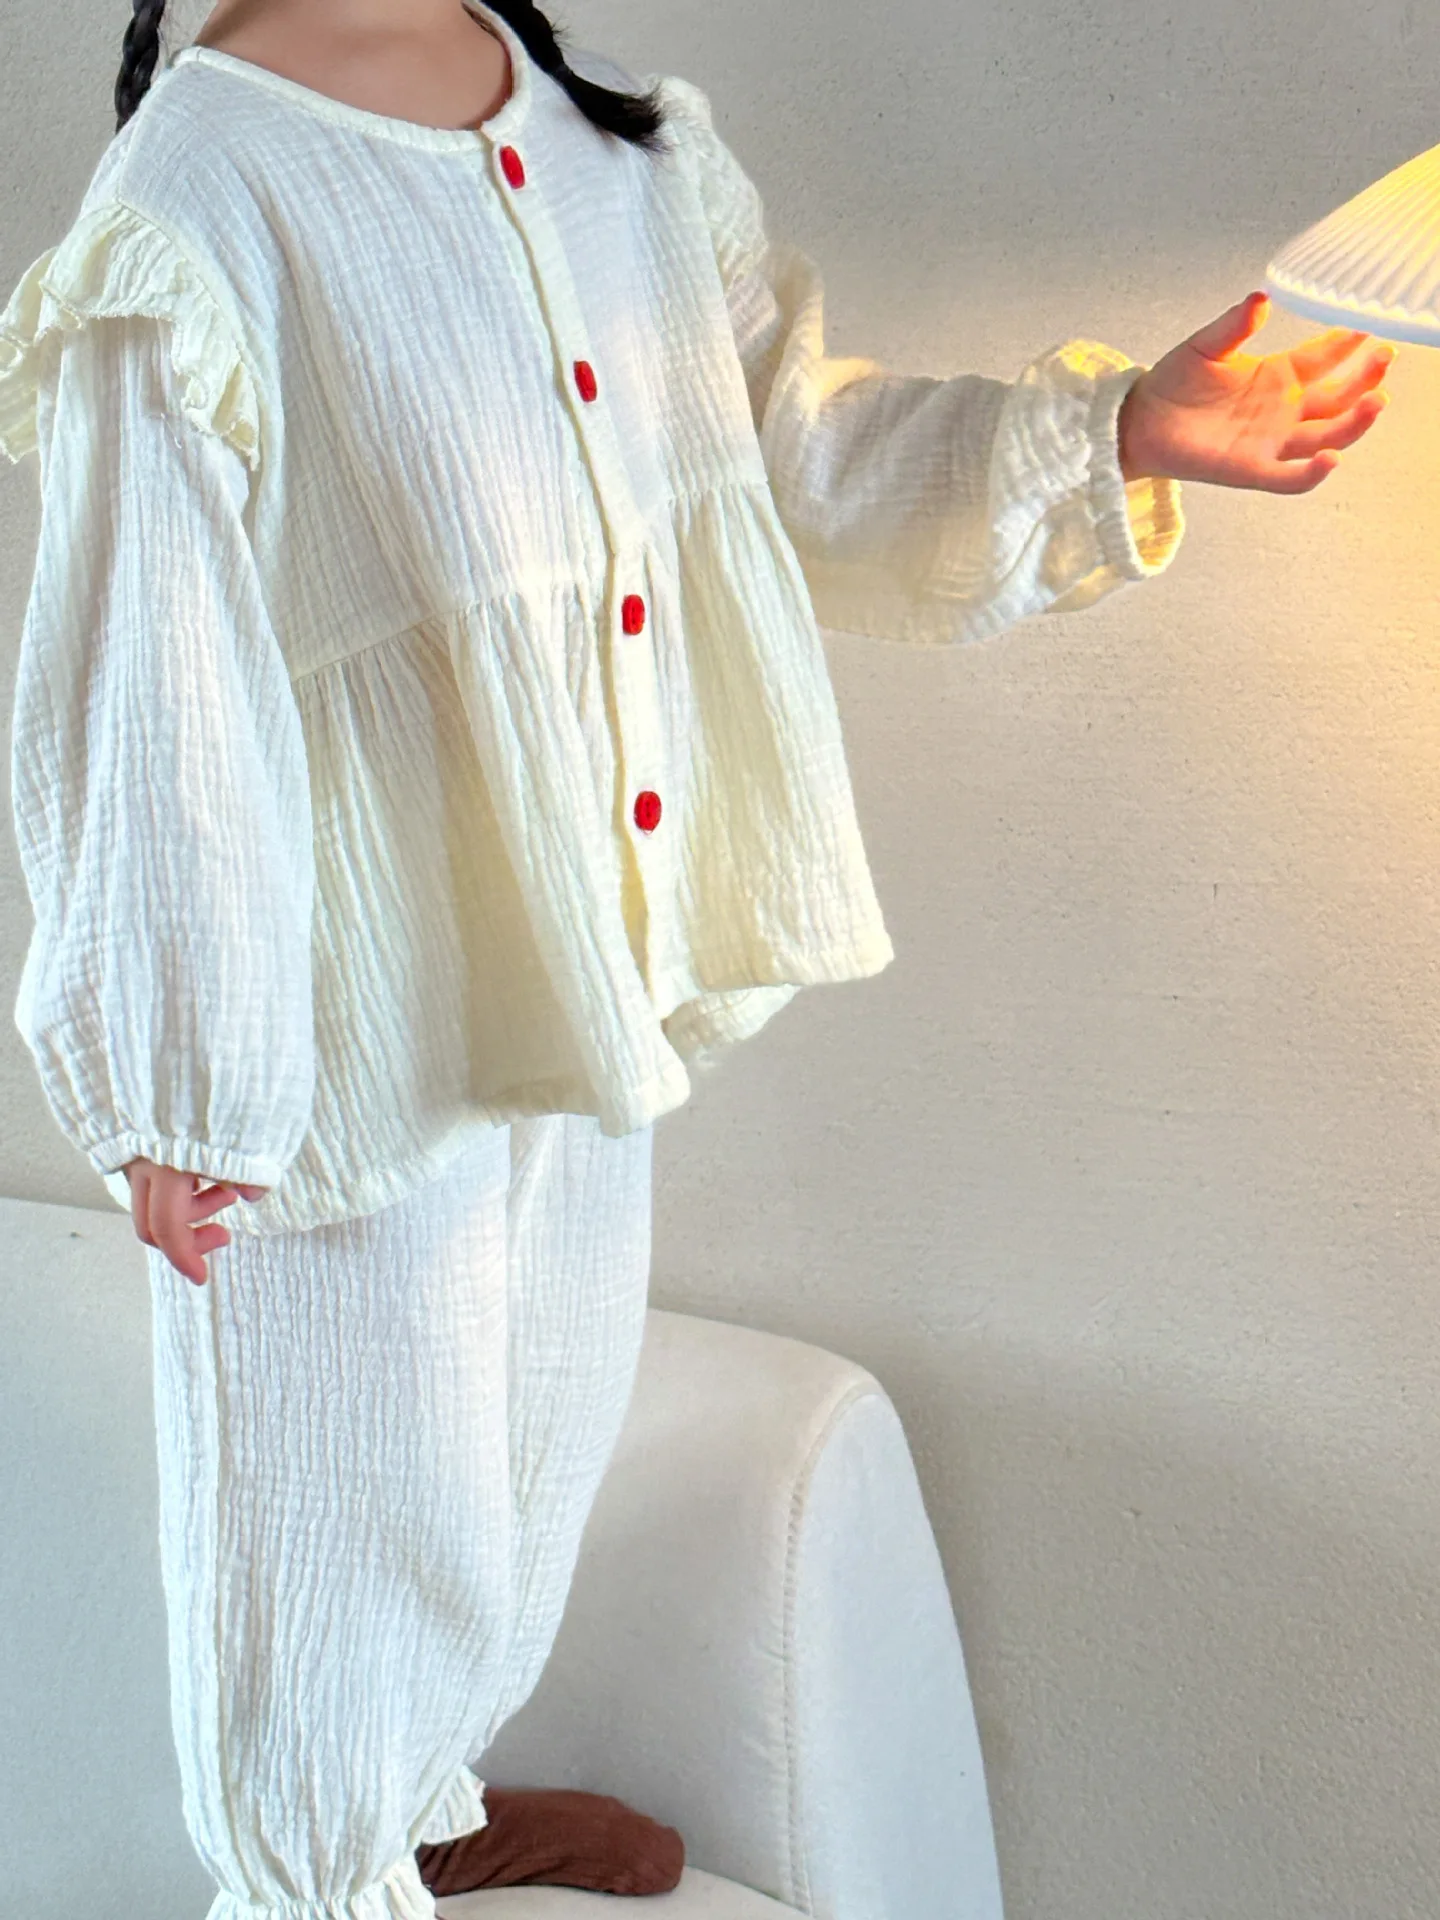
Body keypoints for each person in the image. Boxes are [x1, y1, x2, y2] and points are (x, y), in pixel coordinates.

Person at [0, 0, 1394, 1914]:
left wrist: (1113, 431)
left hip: (566, 969)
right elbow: (144, 660)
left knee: (524, 1444)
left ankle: (419, 1807)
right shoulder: (207, 191)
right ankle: (311, 1875)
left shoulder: (602, 146)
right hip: (330, 1025)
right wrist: (183, 1067)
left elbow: (792, 449)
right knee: (336, 1497)